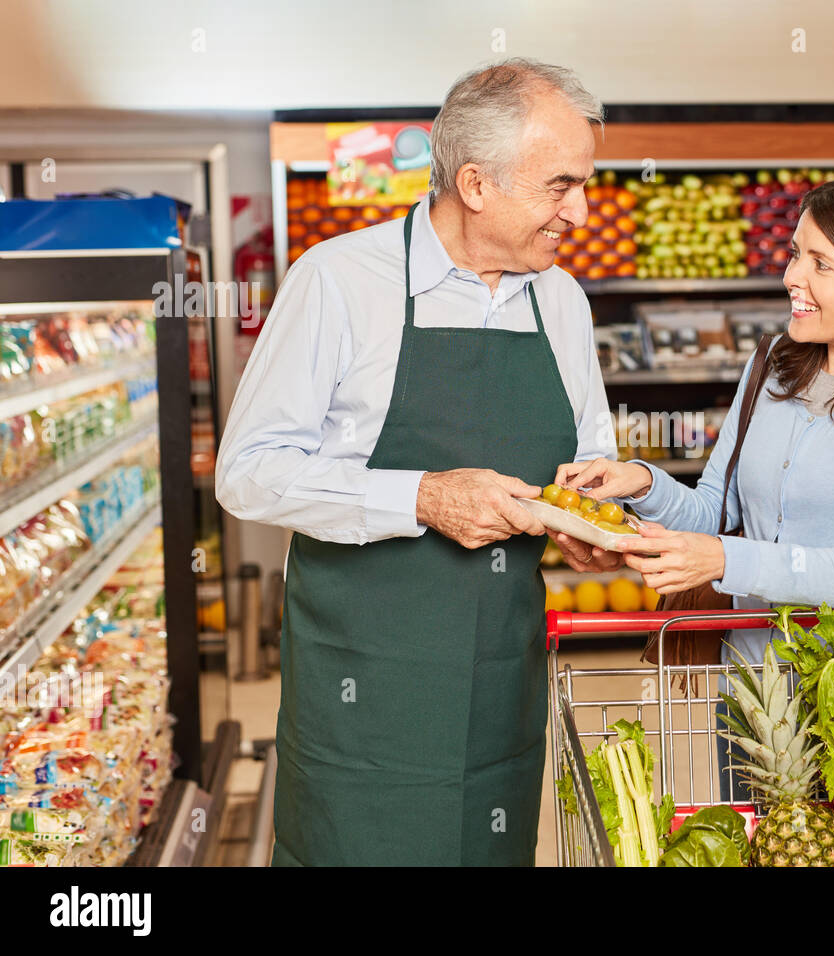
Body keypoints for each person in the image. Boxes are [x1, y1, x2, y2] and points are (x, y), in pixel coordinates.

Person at [215, 59, 623, 866]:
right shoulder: (337, 282)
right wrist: (425, 498)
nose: (580, 210)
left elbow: (590, 456)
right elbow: (248, 469)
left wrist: (584, 518)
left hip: (499, 679)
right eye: (560, 186)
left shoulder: (563, 301)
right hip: (361, 688)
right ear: (476, 183)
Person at [556, 173, 834, 802]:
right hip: (757, 698)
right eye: (794, 253)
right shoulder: (773, 362)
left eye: (820, 263)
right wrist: (641, 483)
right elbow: (713, 510)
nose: (791, 277)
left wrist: (725, 559)